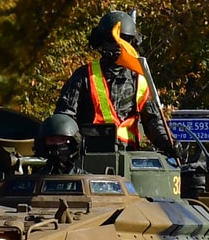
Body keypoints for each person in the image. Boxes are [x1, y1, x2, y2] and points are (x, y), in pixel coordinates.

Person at [54, 10, 178, 161]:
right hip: (90, 155)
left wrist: (169, 144)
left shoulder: (139, 79)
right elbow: (65, 116)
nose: (119, 44)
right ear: (101, 41)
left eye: (124, 40)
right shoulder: (83, 75)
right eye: (112, 39)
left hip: (129, 158)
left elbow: (153, 121)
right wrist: (65, 146)